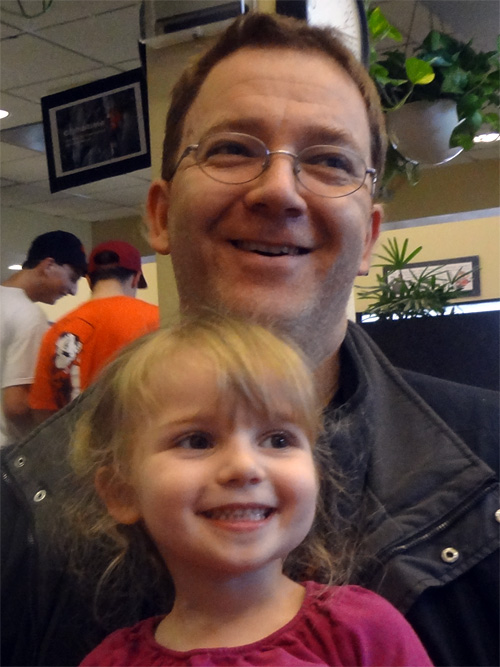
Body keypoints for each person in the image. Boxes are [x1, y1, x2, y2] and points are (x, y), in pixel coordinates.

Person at [1, 11, 498, 667]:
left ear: (370, 239)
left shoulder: (490, 466)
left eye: (329, 161)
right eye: (233, 149)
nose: (279, 190)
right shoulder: (20, 509)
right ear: (160, 215)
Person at [67, 315, 432, 666]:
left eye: (277, 440)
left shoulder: (364, 631)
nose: (244, 467)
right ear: (122, 493)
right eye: (197, 441)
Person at [29, 240, 160, 422]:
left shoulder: (56, 331)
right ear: (136, 278)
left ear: (89, 280)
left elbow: (43, 410)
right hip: (142, 434)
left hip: (76, 437)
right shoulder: (158, 320)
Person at [0, 230, 87, 447]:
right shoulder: (28, 315)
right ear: (48, 265)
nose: (73, 290)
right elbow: (17, 406)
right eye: (73, 278)